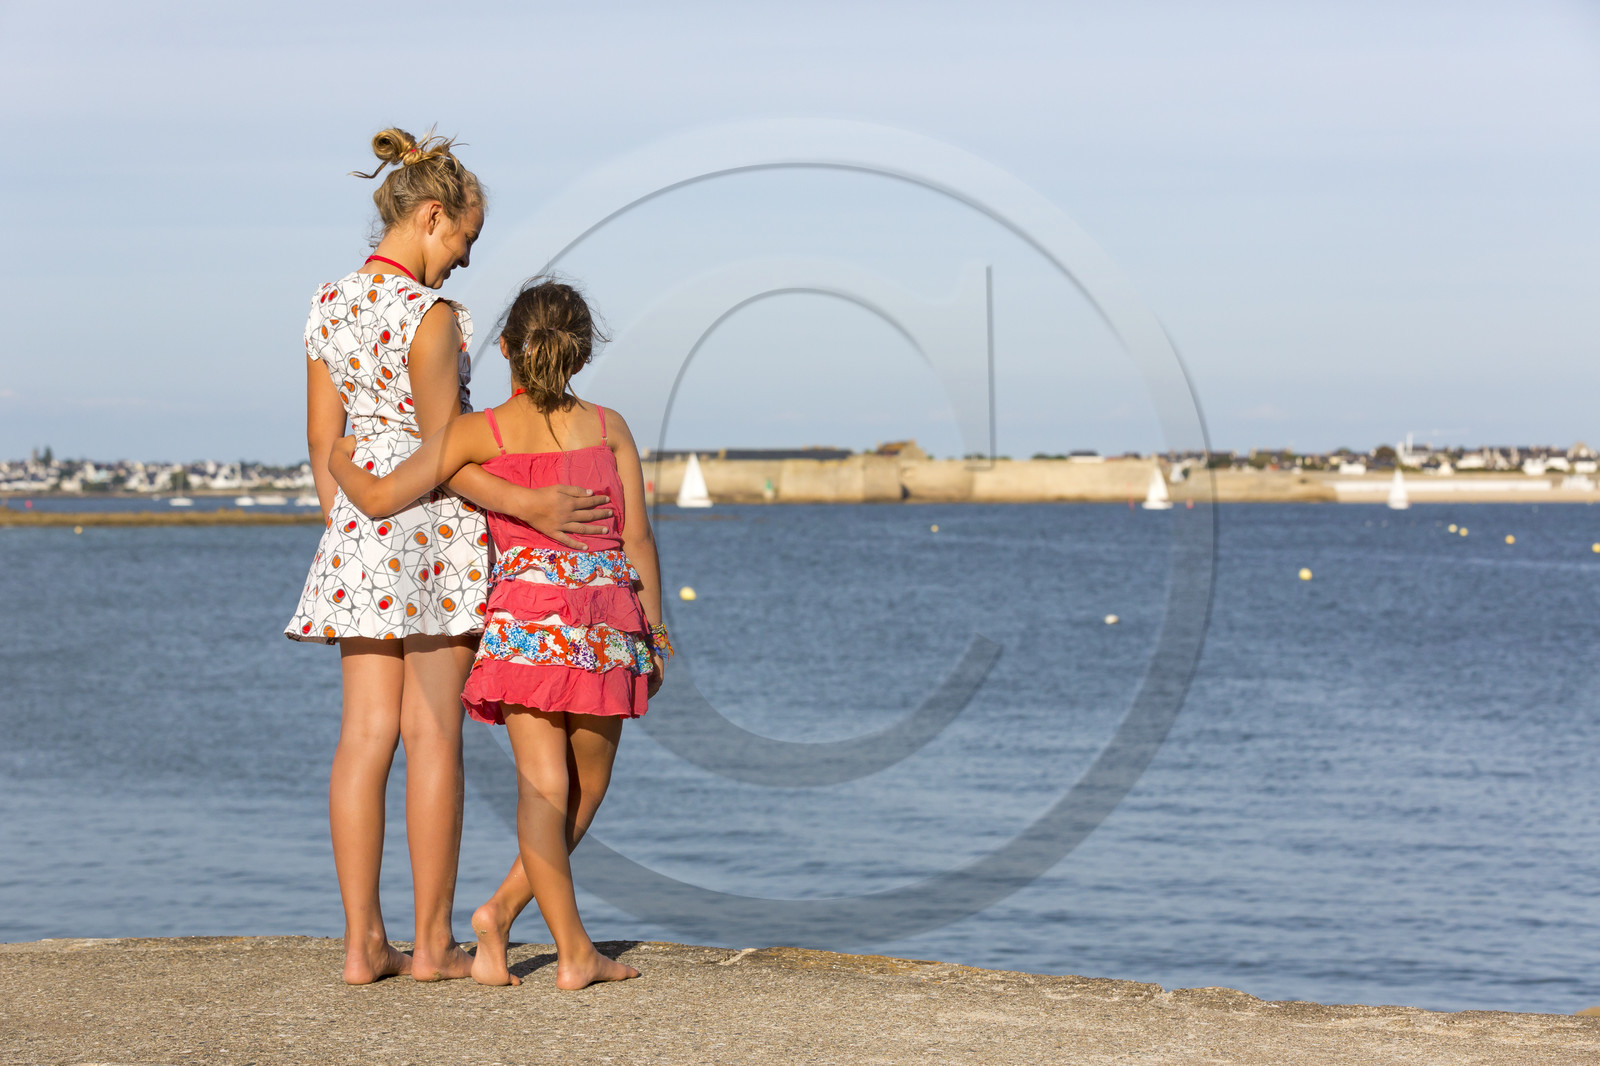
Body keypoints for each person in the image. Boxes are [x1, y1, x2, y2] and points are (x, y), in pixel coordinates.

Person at [286, 129, 616, 985]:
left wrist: (356, 540)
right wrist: (533, 503)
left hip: (358, 536)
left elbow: (326, 445)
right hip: (434, 534)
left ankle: (363, 946)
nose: (466, 260)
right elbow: (449, 455)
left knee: (362, 736)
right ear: (432, 216)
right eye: (465, 239)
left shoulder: (328, 305)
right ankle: (432, 944)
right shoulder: (428, 318)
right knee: (434, 736)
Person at [329, 277, 666, 991]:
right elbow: (637, 538)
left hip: (526, 633)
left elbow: (387, 497)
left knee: (543, 790)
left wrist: (336, 459)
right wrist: (656, 636)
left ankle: (513, 919)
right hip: (607, 628)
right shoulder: (611, 428)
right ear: (580, 356)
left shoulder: (480, 433)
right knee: (585, 790)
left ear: (506, 348)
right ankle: (561, 943)